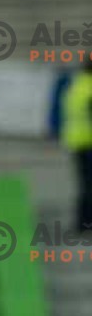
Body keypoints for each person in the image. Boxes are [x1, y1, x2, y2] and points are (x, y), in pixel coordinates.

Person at [61, 58, 92, 232]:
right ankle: (85, 223)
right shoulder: (90, 89)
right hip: (88, 143)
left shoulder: (77, 84)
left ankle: (82, 223)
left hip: (77, 141)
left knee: (85, 185)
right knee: (89, 187)